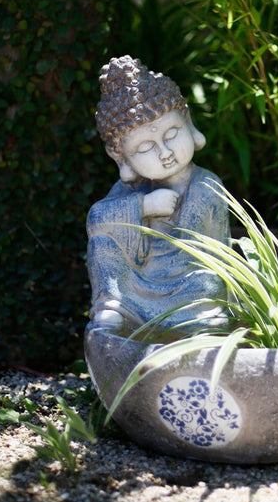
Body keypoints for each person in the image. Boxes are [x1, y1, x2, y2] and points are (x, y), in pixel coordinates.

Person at [86, 55, 229, 335]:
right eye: (145, 148)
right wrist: (144, 206)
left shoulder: (207, 185)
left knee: (208, 283)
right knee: (102, 241)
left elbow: (221, 253)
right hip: (133, 289)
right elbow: (96, 220)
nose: (165, 153)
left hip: (189, 287)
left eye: (172, 133)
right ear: (121, 157)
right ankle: (113, 307)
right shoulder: (131, 190)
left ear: (188, 121)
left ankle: (201, 315)